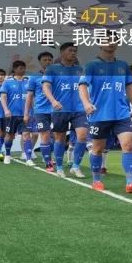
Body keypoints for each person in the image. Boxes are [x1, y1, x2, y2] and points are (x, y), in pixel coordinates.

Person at [78, 41, 132, 193]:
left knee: (128, 145)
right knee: (97, 149)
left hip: (121, 113)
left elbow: (128, 86)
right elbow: (82, 86)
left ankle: (131, 182)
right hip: (99, 114)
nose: (111, 43)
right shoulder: (91, 66)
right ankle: (96, 180)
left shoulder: (123, 65)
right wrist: (86, 103)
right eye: (106, 40)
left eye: (114, 40)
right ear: (99, 43)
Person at [42, 43, 87, 177]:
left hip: (79, 109)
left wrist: (88, 103)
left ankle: (76, 166)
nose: (73, 53)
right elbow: (45, 87)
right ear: (62, 52)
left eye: (75, 51)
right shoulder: (52, 69)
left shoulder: (80, 70)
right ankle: (60, 167)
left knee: (82, 136)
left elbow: (86, 87)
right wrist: (53, 101)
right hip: (60, 109)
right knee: (60, 139)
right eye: (70, 50)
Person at [24, 52, 54, 169]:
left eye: (49, 60)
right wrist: (26, 113)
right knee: (45, 135)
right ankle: (48, 162)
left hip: (57, 110)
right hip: (41, 110)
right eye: (45, 60)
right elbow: (29, 96)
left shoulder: (57, 75)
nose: (48, 62)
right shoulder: (34, 77)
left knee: (55, 136)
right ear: (40, 62)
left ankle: (49, 156)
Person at [1, 61, 31, 165]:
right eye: (20, 68)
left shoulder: (28, 82)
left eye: (24, 68)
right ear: (14, 69)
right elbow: (3, 97)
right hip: (12, 114)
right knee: (10, 135)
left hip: (25, 114)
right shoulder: (7, 82)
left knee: (26, 134)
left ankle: (28, 158)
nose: (23, 70)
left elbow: (32, 97)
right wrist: (6, 110)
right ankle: (7, 155)